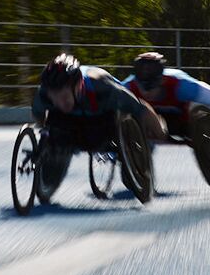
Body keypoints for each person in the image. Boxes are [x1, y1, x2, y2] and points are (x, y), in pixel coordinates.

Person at [30, 53, 164, 202]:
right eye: (54, 97)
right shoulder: (43, 95)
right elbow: (39, 117)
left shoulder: (103, 87)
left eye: (64, 97)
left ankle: (133, 167)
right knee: (55, 134)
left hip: (104, 123)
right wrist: (47, 139)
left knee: (129, 178)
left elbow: (139, 108)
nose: (60, 103)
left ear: (77, 86)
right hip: (70, 125)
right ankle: (53, 169)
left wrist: (158, 131)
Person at [121, 51, 210, 148]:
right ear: (136, 81)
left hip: (182, 119)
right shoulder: (127, 87)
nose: (147, 93)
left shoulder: (181, 85)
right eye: (142, 86)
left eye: (151, 87)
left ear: (162, 80)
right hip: (147, 122)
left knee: (196, 112)